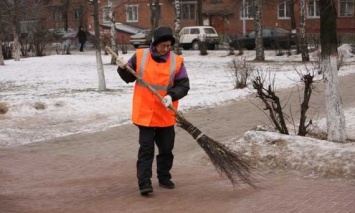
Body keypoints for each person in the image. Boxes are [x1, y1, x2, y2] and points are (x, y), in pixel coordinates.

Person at [116, 26, 190, 196]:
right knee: (146, 149)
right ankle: (144, 183)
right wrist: (122, 67)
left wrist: (172, 95)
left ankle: (164, 177)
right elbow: (129, 77)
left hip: (165, 113)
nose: (166, 49)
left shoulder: (176, 61)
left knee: (166, 148)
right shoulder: (141, 56)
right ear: (154, 44)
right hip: (145, 113)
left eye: (169, 45)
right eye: (163, 45)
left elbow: (184, 85)